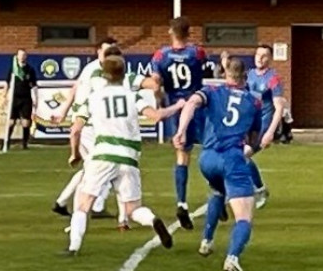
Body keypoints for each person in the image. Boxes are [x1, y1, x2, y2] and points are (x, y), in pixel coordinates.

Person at [64, 56, 184, 256]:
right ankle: (153, 219)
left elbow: (75, 130)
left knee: (83, 204)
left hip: (103, 154)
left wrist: (75, 154)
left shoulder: (93, 98)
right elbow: (156, 116)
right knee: (132, 209)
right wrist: (178, 106)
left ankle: (73, 246)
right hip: (129, 157)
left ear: (104, 74)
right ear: (124, 73)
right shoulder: (132, 96)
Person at [51, 40, 158, 228]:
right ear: (99, 52)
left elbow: (76, 88)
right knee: (108, 167)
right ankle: (101, 214)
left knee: (95, 169)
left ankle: (68, 206)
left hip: (91, 123)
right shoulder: (100, 73)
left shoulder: (94, 69)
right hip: (93, 126)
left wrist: (64, 111)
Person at [174, 57, 262, 271]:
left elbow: (191, 103)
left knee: (217, 191)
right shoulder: (254, 102)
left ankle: (207, 240)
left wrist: (182, 130)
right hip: (232, 159)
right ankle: (232, 258)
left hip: (207, 158)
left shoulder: (211, 91)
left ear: (224, 74)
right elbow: (253, 139)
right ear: (245, 76)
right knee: (244, 217)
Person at [151, 16, 208, 230]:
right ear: (189, 32)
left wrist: (160, 100)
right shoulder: (197, 53)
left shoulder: (160, 55)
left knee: (182, 156)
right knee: (211, 148)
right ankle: (216, 192)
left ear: (170, 32)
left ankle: (182, 202)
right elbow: (203, 64)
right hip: (197, 104)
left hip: (176, 105)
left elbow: (156, 84)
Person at [245, 44, 285, 209]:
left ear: (269, 59)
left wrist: (270, 132)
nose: (259, 58)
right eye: (257, 55)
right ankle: (238, 190)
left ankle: (259, 189)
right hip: (249, 123)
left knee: (243, 155)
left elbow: (279, 108)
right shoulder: (250, 75)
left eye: (264, 56)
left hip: (263, 125)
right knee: (236, 155)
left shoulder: (273, 79)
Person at [3, 49, 38, 150]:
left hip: (26, 98)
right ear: (17, 56)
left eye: (24, 55)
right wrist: (4, 96)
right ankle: (7, 142)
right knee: (11, 121)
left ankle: (24, 143)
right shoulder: (13, 69)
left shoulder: (30, 70)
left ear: (26, 57)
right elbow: (7, 83)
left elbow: (34, 86)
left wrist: (36, 99)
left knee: (26, 122)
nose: (22, 57)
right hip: (15, 98)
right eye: (20, 55)